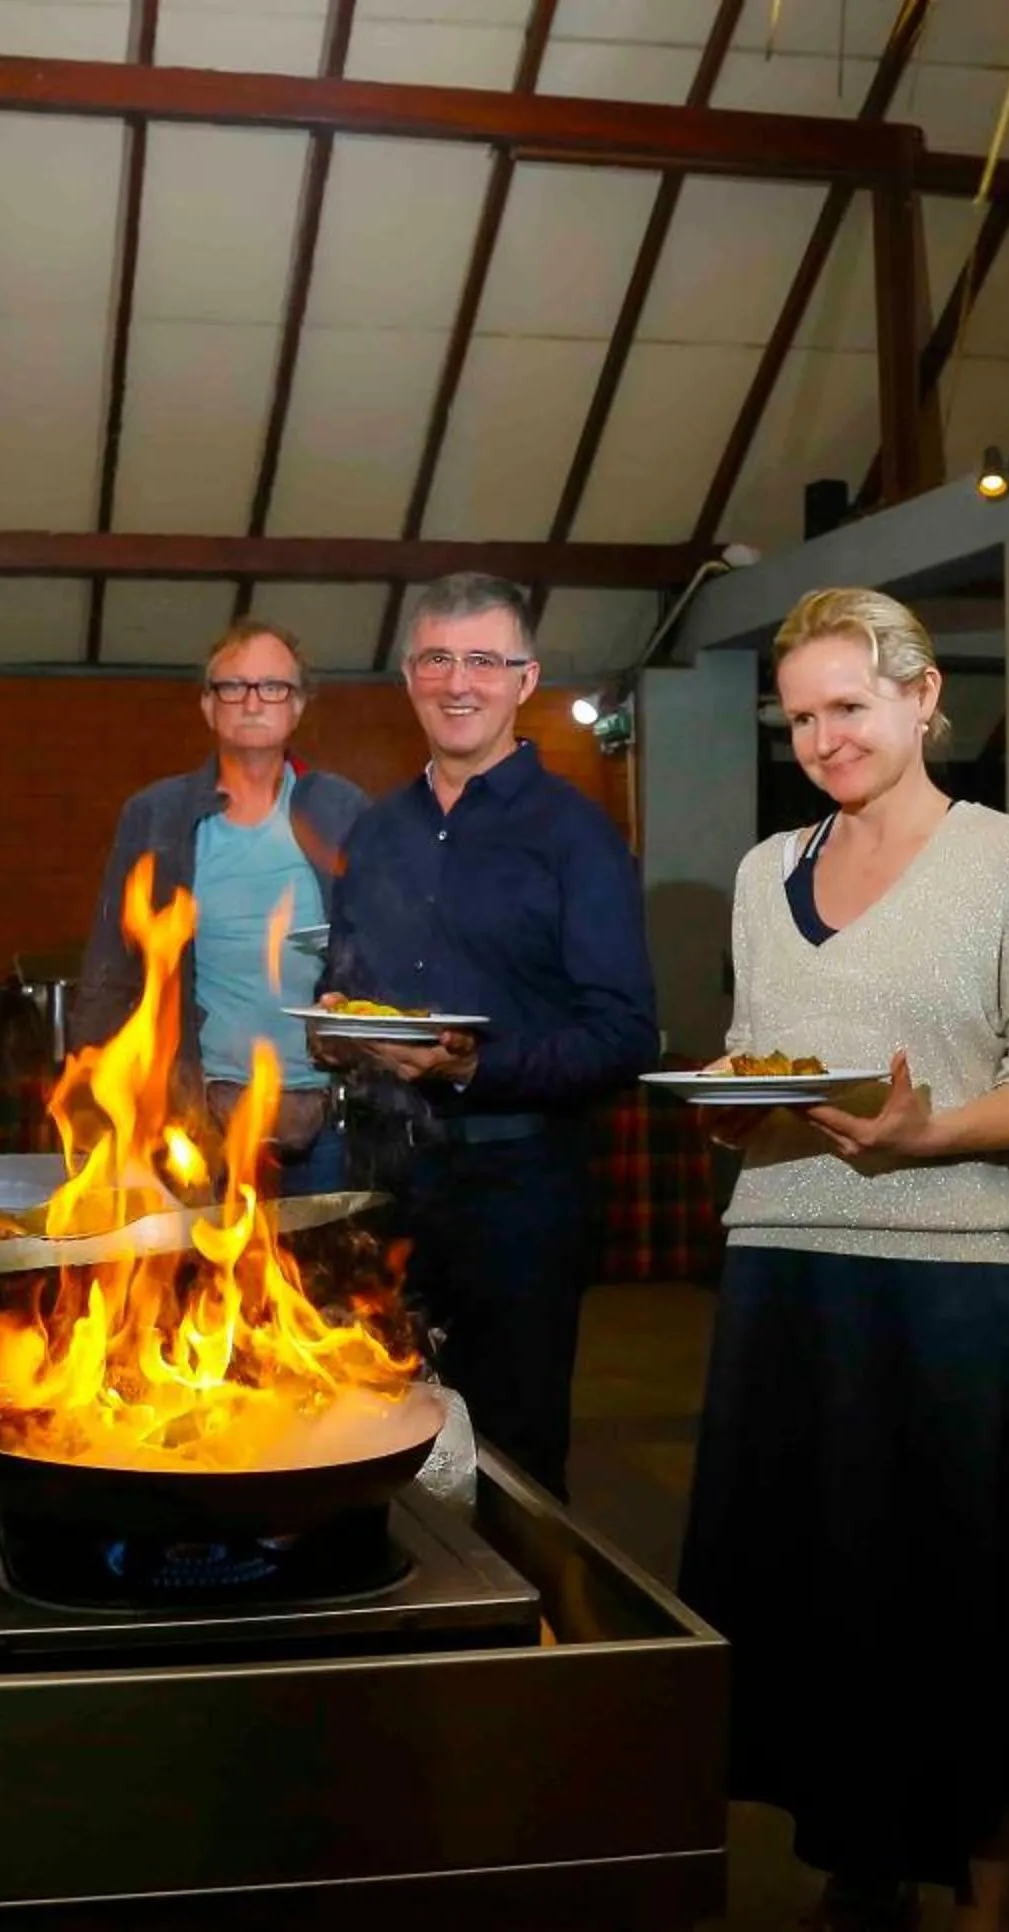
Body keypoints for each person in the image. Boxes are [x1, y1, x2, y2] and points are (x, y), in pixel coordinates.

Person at [674, 588, 1009, 1932]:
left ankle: (983, 1887)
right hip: (785, 1263)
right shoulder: (762, 872)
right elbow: (763, 1053)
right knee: (818, 1598)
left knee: (960, 1599)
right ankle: (859, 1865)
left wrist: (928, 1134)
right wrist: (730, 1095)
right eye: (800, 717)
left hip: (950, 1271)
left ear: (921, 697)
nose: (822, 737)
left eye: (847, 705)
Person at [318, 573, 657, 1497]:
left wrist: (476, 1066)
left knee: (510, 1458)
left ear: (523, 678)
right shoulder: (378, 832)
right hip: (382, 1184)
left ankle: (520, 1628)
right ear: (408, 676)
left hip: (519, 1194)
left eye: (482, 660)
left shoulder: (576, 837)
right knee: (369, 1440)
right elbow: (341, 984)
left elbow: (626, 1034)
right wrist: (336, 1030)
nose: (456, 682)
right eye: (436, 659)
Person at [73, 618, 368, 1192]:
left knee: (326, 1280)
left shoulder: (343, 808)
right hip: (198, 1121)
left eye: (273, 687)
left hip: (324, 1118)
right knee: (201, 1281)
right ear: (209, 706)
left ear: (298, 705)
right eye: (233, 687)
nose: (253, 702)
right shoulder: (157, 815)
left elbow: (389, 950)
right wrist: (92, 1112)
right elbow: (110, 966)